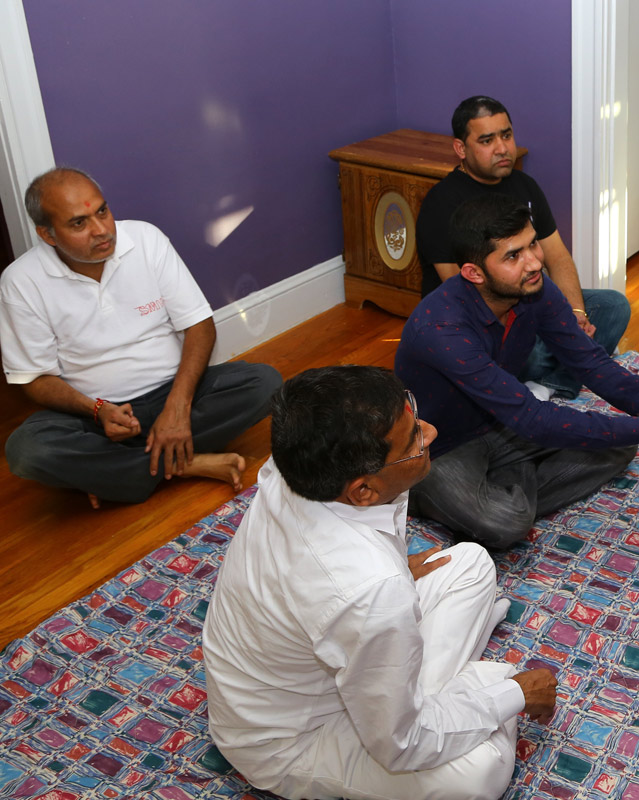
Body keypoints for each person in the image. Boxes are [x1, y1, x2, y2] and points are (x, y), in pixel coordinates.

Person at [203, 365, 558, 800]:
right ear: (363, 491)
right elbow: (401, 746)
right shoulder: (369, 587)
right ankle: (469, 689)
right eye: (413, 441)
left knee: (471, 563)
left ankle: (430, 697)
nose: (430, 432)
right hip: (296, 738)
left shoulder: (298, 461)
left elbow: (332, 578)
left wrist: (394, 574)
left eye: (414, 417)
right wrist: (513, 694)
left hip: (333, 642)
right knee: (479, 775)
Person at [396, 194, 639, 549]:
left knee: (620, 444)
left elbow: (590, 361)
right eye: (513, 255)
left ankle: (506, 480)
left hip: (501, 423)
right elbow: (532, 418)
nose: (534, 262)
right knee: (506, 523)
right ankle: (433, 493)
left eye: (533, 244)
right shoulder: (441, 328)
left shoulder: (533, 290)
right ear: (474, 273)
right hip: (441, 446)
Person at [0, 167, 281, 507]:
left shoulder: (145, 239)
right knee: (26, 449)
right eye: (79, 223)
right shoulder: (21, 281)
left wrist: (177, 408)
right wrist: (98, 410)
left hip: (176, 391)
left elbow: (199, 326)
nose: (101, 230)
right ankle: (185, 464)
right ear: (47, 234)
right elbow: (35, 379)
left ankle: (111, 473)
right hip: (98, 415)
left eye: (102, 211)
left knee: (265, 383)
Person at [417, 95, 631, 400]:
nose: (502, 148)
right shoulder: (441, 203)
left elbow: (557, 256)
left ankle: (547, 382)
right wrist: (541, 325)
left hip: (530, 301)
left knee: (613, 306)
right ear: (461, 149)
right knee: (537, 349)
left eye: (506, 135)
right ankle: (565, 365)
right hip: (482, 323)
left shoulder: (525, 186)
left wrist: (575, 313)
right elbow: (459, 289)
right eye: (487, 140)